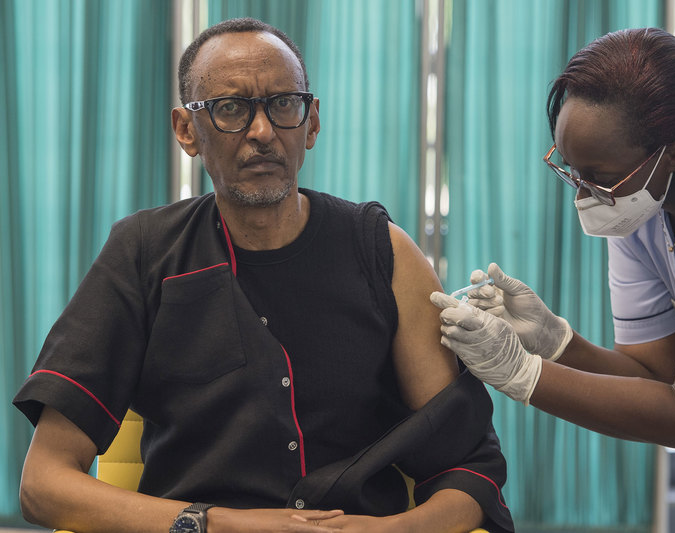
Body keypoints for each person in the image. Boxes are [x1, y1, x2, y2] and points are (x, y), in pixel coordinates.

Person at [14, 18, 513, 533]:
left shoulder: (382, 251)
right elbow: (43, 483)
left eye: (283, 104)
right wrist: (221, 524)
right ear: (187, 130)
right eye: (230, 108)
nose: (262, 131)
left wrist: (390, 531)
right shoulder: (144, 253)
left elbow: (466, 464)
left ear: (312, 122)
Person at [431, 27, 675, 451]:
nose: (585, 196)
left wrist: (521, 373)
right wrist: (555, 343)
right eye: (574, 172)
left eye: (599, 179)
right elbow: (654, 373)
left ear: (674, 151)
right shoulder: (641, 193)